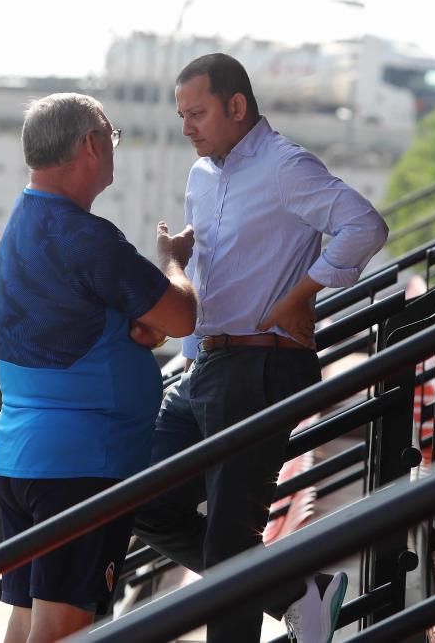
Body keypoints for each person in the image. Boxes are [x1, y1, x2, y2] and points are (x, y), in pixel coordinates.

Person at [134, 53, 389, 643]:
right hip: (206, 365)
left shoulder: (286, 165)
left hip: (263, 363)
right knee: (141, 499)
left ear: (237, 106)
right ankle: (298, 591)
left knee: (229, 537)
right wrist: (184, 333)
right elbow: (209, 274)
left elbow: (364, 226)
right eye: (181, 114)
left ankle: (289, 596)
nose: (186, 127)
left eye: (196, 112)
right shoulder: (201, 177)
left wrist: (304, 294)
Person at [0, 92, 197, 643]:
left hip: (22, 457)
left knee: (31, 619)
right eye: (112, 138)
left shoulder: (23, 220)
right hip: (79, 464)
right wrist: (172, 261)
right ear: (89, 144)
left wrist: (138, 326)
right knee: (64, 628)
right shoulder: (84, 237)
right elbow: (180, 315)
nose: (113, 150)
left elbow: (104, 318)